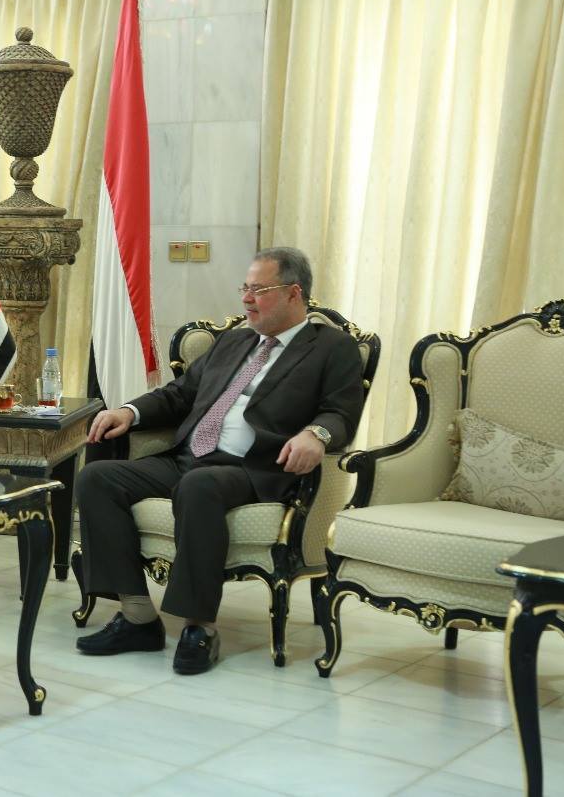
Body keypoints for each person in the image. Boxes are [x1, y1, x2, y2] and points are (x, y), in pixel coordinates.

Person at [76, 247, 365, 675]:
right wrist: (129, 412)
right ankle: (137, 616)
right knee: (98, 478)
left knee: (199, 486)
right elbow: (179, 394)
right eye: (245, 288)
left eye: (258, 290)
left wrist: (316, 434)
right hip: (189, 457)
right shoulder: (233, 341)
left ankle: (199, 627)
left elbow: (341, 412)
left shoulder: (331, 347)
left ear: (293, 293)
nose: (246, 299)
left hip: (253, 468)